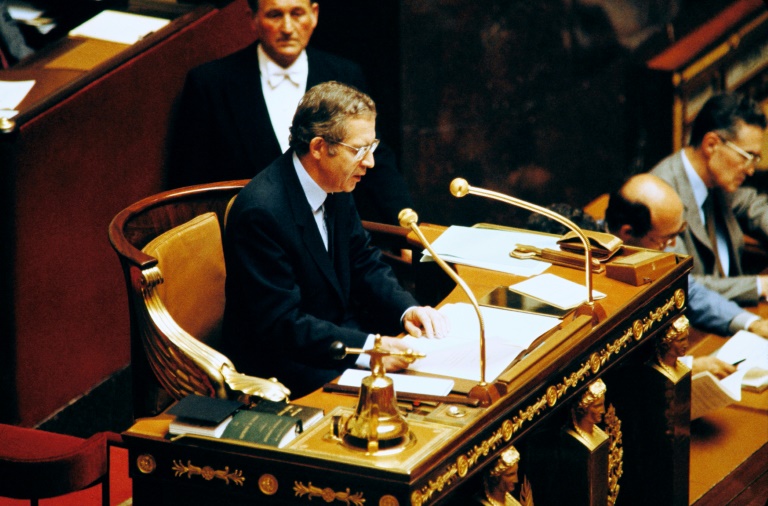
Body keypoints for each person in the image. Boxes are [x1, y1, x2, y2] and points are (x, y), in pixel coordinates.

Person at [221, 81, 447, 397]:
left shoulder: (334, 182)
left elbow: (363, 261)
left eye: (372, 147)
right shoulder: (261, 212)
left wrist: (406, 310)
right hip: (287, 370)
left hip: (341, 343)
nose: (369, 162)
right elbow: (282, 324)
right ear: (318, 147)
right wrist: (371, 350)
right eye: (359, 150)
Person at [167, 0, 412, 225]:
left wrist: (405, 218)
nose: (287, 27)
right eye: (275, 15)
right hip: (246, 239)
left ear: (314, 14)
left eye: (297, 13)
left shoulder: (344, 74)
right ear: (253, 18)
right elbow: (190, 183)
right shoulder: (210, 83)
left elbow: (373, 156)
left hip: (331, 237)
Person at [604, 173, 768, 378]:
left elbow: (690, 290)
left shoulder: (646, 245)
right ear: (627, 232)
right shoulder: (589, 273)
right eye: (665, 239)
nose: (672, 246)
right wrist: (686, 366)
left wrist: (751, 323)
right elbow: (619, 362)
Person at [650, 92, 768, 305]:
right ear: (711, 144)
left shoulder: (717, 180)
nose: (751, 170)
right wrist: (760, 286)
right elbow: (684, 284)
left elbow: (754, 207)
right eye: (747, 156)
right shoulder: (661, 199)